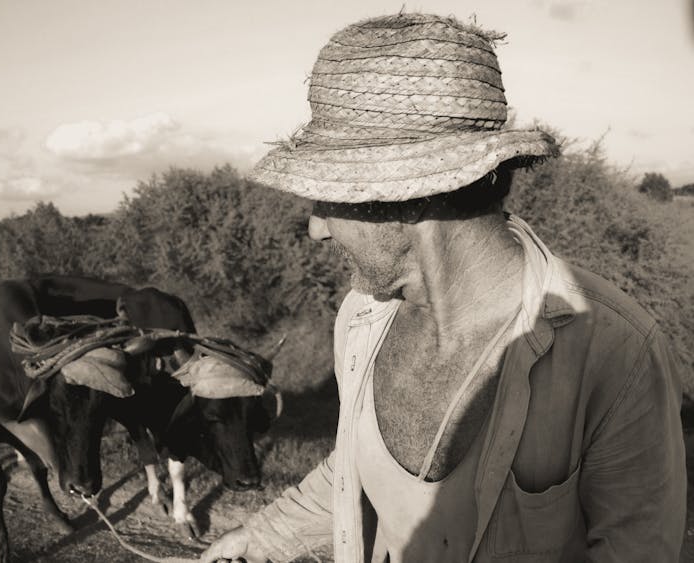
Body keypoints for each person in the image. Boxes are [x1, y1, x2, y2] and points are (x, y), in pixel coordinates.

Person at [200, 12, 686, 563]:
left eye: (327, 196)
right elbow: (356, 464)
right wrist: (265, 536)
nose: (315, 226)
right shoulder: (362, 319)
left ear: (410, 195)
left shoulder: (615, 354)